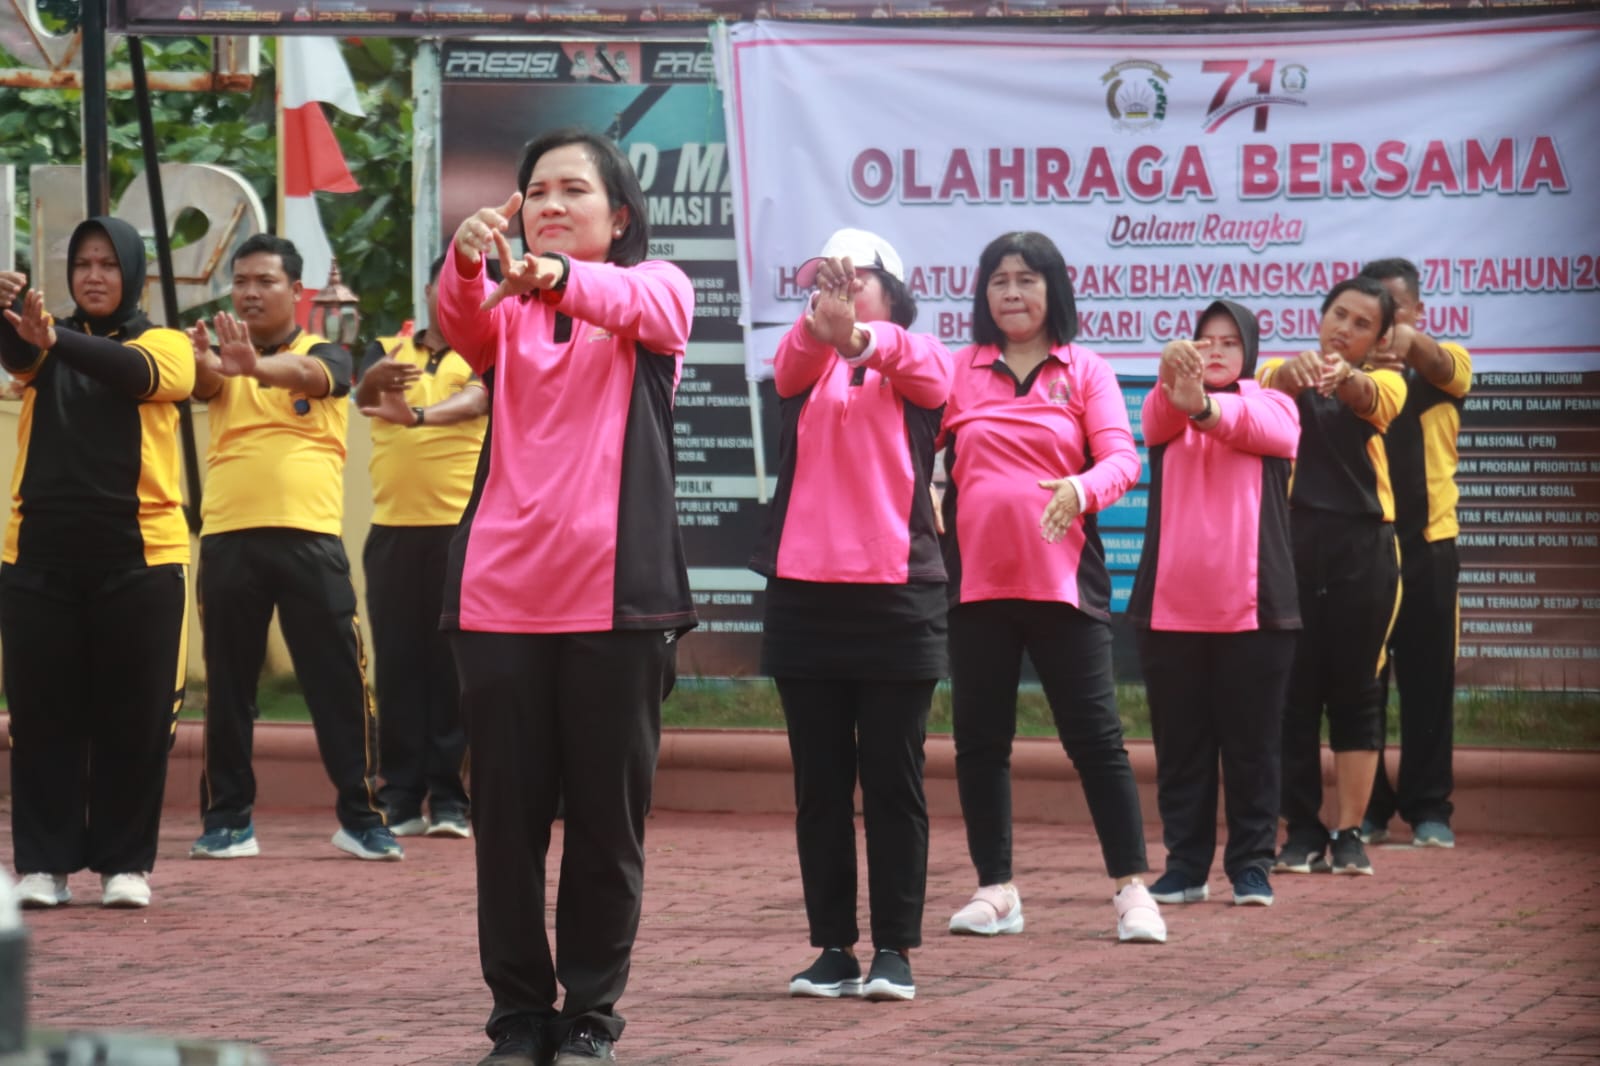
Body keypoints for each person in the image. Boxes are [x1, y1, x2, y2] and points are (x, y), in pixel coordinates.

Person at [438, 128, 694, 1066]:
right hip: (500, 595)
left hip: (617, 602)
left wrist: (549, 278)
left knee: (604, 822)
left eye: (573, 189)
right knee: (504, 822)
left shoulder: (654, 287)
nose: (550, 203)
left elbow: (641, 303)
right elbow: (461, 327)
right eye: (534, 190)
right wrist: (468, 268)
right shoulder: (505, 312)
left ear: (617, 214)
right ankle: (516, 1014)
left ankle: (590, 1013)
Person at [939, 231, 1165, 945]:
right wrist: (930, 492)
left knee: (1096, 740)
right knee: (980, 741)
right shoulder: (957, 371)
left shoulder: (1086, 369)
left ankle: (1132, 889)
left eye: (1027, 280)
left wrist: (1079, 487)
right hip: (974, 587)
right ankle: (996, 890)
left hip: (1064, 583)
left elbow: (1122, 460)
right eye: (998, 279)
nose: (1011, 292)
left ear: (1054, 291)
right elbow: (919, 454)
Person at [751, 229, 952, 1002]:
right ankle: (833, 947)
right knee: (821, 785)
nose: (835, 289)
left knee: (893, 781)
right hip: (805, 597)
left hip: (899, 598)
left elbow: (922, 368)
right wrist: (822, 328)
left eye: (855, 277)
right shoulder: (803, 362)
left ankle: (894, 950)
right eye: (822, 280)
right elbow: (793, 362)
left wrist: (862, 337)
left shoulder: (916, 359)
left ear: (892, 294)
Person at [0, 219, 195, 909]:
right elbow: (19, 359)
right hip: (37, 558)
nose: (93, 276)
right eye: (82, 264)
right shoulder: (43, 346)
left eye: (109, 264)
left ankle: (125, 865)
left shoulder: (166, 345)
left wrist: (54, 338)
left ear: (133, 272)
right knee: (41, 717)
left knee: (133, 718)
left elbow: (136, 374)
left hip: (139, 559)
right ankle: (44, 866)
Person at [187, 234, 399, 863]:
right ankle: (227, 820)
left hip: (310, 539)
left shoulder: (324, 349)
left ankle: (363, 817)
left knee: (339, 681)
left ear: (296, 292)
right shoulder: (224, 357)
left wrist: (250, 365)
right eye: (241, 281)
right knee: (229, 687)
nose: (250, 292)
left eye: (265, 281)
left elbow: (317, 376)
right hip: (227, 537)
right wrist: (210, 360)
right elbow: (202, 385)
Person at [1126, 301, 1300, 908]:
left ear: (1249, 350)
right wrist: (1180, 389)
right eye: (1204, 341)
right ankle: (1184, 867)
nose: (1216, 351)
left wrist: (1201, 402)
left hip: (1255, 613)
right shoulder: (1164, 405)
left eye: (1229, 341)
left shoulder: (1273, 403)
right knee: (1181, 748)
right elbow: (1155, 424)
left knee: (1253, 748)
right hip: (1170, 610)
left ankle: (1252, 866)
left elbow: (1261, 431)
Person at [1259, 276, 1406, 878]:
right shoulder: (1281, 373)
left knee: (1358, 693)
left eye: (1361, 324)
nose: (1344, 329)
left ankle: (1350, 832)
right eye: (1338, 315)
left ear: (1376, 340)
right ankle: (1301, 830)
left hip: (1364, 549)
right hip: (1291, 543)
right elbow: (1268, 384)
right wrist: (1298, 376)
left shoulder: (1387, 380)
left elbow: (1375, 400)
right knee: (1292, 693)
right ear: (1320, 316)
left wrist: (1347, 378)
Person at [354, 253, 488, 840]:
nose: (452, 294)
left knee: (454, 667)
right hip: (392, 530)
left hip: (463, 530)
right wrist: (375, 385)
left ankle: (451, 800)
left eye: (468, 286)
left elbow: (481, 399)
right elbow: (362, 395)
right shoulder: (388, 347)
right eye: (445, 284)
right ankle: (401, 797)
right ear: (431, 288)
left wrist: (419, 416)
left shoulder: (486, 349)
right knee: (399, 664)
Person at [1357, 258, 1472, 850]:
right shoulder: (1349, 381)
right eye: (1372, 311)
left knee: (1429, 682)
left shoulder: (1445, 368)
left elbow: (1438, 362)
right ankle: (1369, 810)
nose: (1383, 324)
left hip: (1430, 548)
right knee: (1362, 684)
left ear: (1418, 314)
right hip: (1365, 551)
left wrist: (1407, 342)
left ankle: (1431, 809)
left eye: (1394, 310)